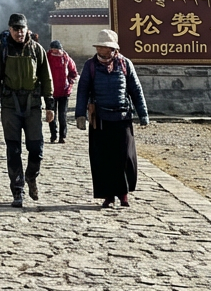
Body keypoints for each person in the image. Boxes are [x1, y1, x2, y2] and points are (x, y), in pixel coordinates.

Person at [75, 29, 149, 208]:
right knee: (103, 158)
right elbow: (82, 90)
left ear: (113, 49)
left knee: (124, 157)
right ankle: (108, 195)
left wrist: (143, 114)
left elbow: (136, 90)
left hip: (122, 117)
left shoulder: (125, 64)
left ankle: (123, 194)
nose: (101, 50)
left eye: (105, 47)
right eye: (99, 46)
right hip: (100, 119)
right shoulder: (90, 66)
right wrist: (80, 115)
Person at [0, 13, 54, 207]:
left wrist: (50, 105)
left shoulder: (36, 49)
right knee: (13, 149)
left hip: (33, 105)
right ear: (10, 29)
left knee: (36, 147)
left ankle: (31, 175)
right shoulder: (2, 50)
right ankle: (17, 190)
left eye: (22, 28)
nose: (19, 32)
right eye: (15, 29)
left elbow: (46, 77)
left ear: (27, 29)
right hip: (10, 105)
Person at [47, 39, 78, 143]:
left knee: (62, 115)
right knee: (51, 114)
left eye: (57, 50)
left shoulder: (66, 58)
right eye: (53, 50)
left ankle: (62, 136)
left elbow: (73, 72)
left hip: (64, 91)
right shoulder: (47, 57)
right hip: (51, 91)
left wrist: (70, 83)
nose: (55, 52)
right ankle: (53, 135)